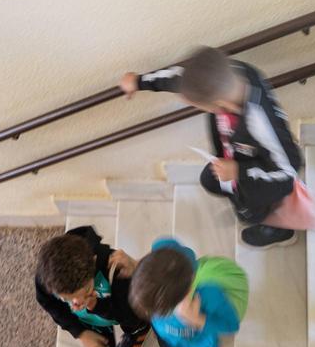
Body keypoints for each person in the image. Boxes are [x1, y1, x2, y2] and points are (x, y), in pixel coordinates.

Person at [119, 46, 303, 249]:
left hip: (261, 174)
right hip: (234, 157)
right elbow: (179, 76)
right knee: (210, 181)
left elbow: (288, 170)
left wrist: (239, 171)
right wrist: (139, 81)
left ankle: (279, 230)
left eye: (196, 105)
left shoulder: (261, 124)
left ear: (217, 103)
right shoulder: (226, 74)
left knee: (248, 211)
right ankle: (242, 199)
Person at [128, 237, 248, 347]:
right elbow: (162, 243)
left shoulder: (209, 295)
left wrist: (198, 319)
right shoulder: (166, 257)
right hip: (168, 335)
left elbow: (231, 325)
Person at [35, 226, 150, 347]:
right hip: (93, 323)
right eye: (68, 299)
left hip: (120, 310)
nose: (77, 304)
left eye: (87, 290)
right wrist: (80, 332)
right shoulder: (48, 278)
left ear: (94, 261)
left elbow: (131, 314)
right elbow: (49, 304)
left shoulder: (117, 272)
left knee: (136, 325)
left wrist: (96, 305)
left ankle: (137, 336)